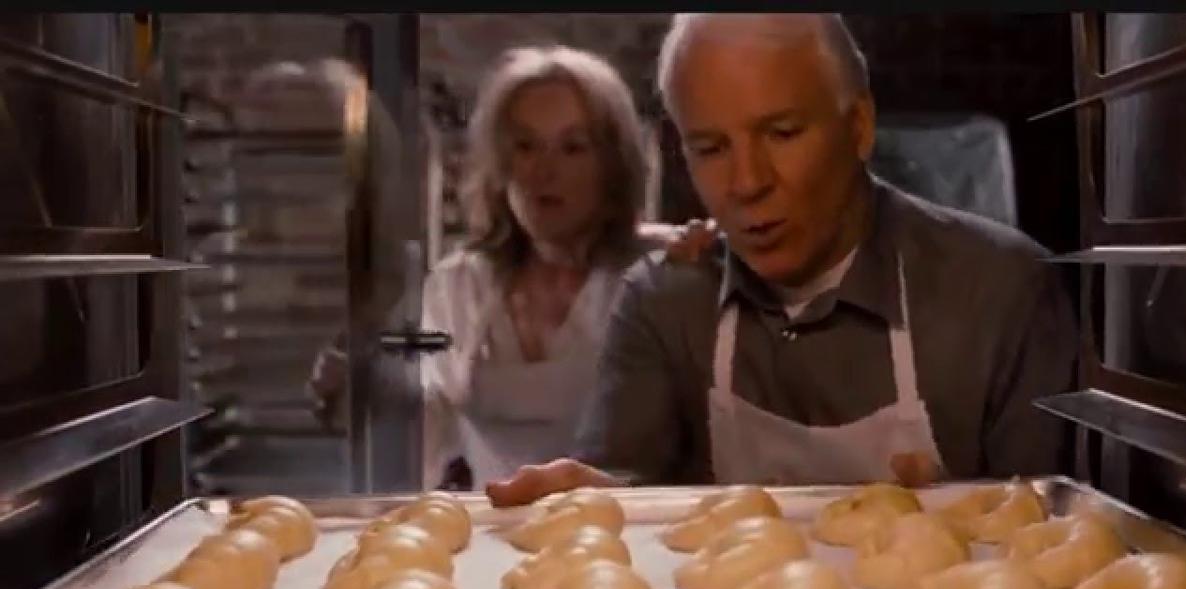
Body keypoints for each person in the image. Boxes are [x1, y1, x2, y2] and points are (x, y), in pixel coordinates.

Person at [486, 13, 1079, 507]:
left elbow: (1047, 546)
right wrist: (591, 500)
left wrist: (955, 522)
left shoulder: (999, 293)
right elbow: (622, 494)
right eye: (711, 148)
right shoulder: (668, 303)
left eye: (783, 133)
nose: (746, 183)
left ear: (859, 127)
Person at [307, 45, 715, 490]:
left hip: (623, 535)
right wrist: (360, 398)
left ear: (612, 165)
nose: (545, 171)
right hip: (500, 540)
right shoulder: (461, 286)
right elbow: (428, 435)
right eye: (525, 146)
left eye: (573, 148)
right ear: (500, 164)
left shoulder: (659, 270)